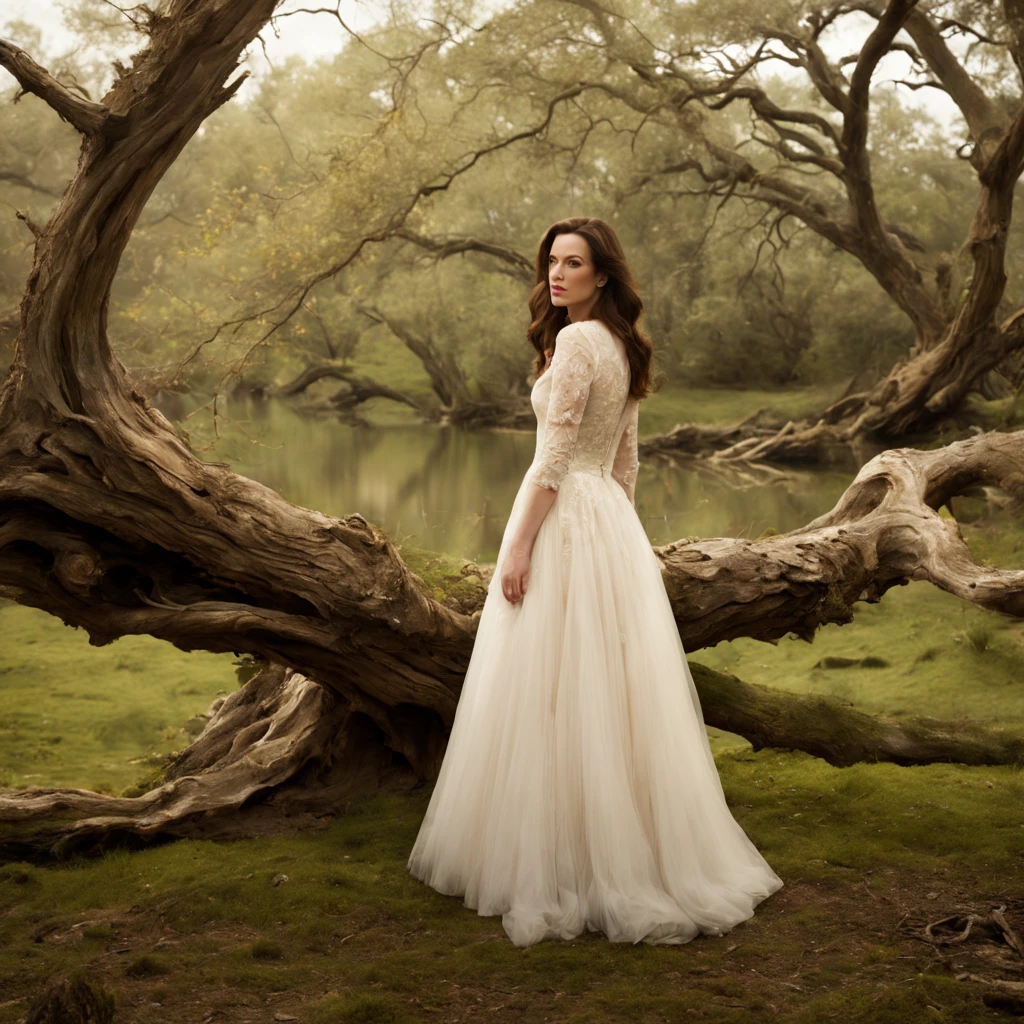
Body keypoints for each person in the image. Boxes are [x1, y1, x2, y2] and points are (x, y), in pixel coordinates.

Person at [406, 216, 784, 947]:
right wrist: (622, 545)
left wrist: (515, 549)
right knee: (603, 691)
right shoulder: (622, 345)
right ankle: (606, 846)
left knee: (550, 686)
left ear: (602, 274)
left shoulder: (579, 343)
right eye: (552, 262)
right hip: (606, 521)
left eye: (573, 264)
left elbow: (551, 461)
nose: (557, 274)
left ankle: (563, 862)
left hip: (567, 516)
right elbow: (626, 465)